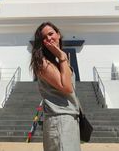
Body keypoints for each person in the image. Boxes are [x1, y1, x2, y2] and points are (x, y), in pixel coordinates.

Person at [30, 22, 81, 151]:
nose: (48, 38)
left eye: (51, 33)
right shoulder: (43, 62)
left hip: (69, 118)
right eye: (44, 37)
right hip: (59, 120)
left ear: (58, 34)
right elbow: (67, 88)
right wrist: (63, 57)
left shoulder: (58, 61)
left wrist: (61, 58)